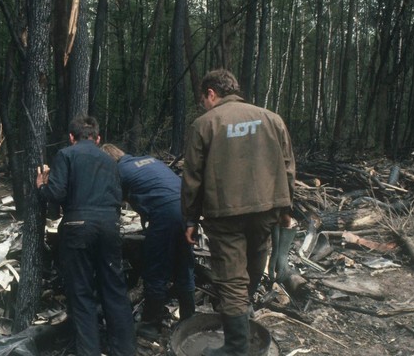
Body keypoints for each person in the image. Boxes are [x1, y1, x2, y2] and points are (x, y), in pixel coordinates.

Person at [181, 69, 295, 356]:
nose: (203, 105)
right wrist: (286, 208)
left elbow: (192, 177)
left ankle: (235, 348)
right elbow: (288, 166)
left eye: (203, 99)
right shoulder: (272, 119)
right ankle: (243, 314)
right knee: (255, 261)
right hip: (267, 208)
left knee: (232, 278)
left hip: (225, 213)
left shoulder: (204, 124)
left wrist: (190, 218)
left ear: (211, 93)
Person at [36, 116, 136, 356]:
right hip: (110, 226)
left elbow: (57, 193)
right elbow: (120, 195)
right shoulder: (111, 160)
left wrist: (41, 186)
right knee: (114, 289)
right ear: (98, 138)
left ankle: (88, 351)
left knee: (81, 293)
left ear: (72, 137)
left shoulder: (66, 155)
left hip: (78, 226)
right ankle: (124, 350)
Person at [100, 143, 195, 340]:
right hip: (186, 209)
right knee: (183, 264)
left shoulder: (118, 171)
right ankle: (189, 319)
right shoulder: (147, 160)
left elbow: (112, 205)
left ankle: (151, 325)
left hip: (165, 212)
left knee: (155, 269)